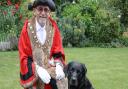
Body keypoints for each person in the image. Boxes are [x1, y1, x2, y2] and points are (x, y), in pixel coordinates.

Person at [18, 0, 67, 89]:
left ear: (49, 13)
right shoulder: (26, 29)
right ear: (34, 11)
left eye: (46, 10)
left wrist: (59, 66)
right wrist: (38, 69)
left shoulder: (53, 27)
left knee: (62, 83)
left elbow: (58, 52)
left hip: (50, 70)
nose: (43, 13)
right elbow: (24, 57)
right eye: (40, 9)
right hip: (33, 73)